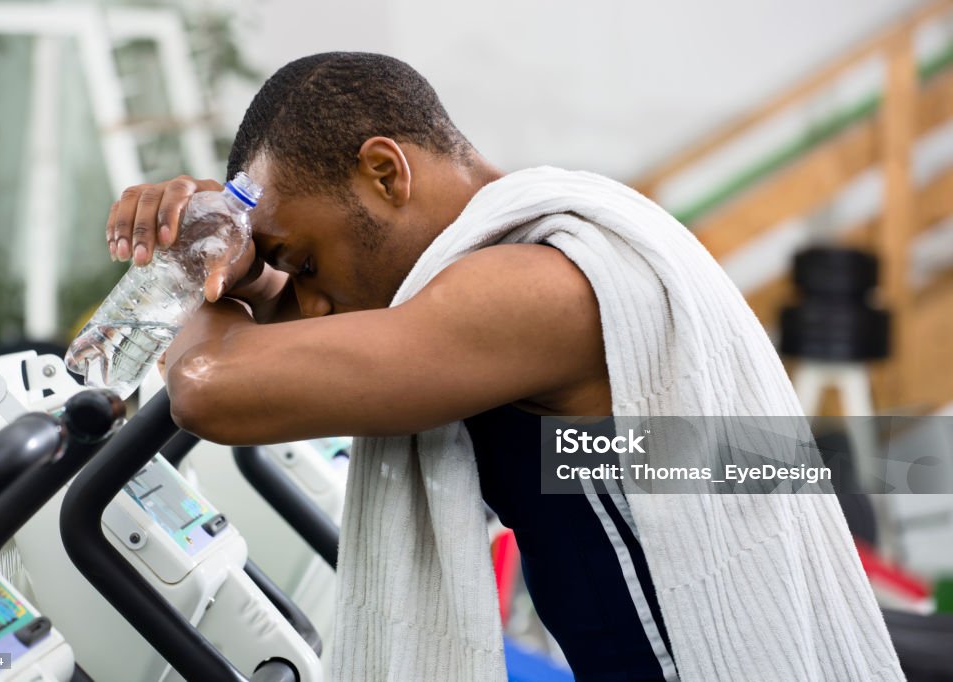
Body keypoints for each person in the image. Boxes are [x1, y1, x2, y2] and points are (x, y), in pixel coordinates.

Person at [105, 53, 902, 681]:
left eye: (306, 261)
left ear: (386, 173)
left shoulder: (532, 289)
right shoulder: (549, 248)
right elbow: (287, 342)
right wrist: (250, 273)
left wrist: (198, 261)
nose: (311, 303)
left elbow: (211, 390)